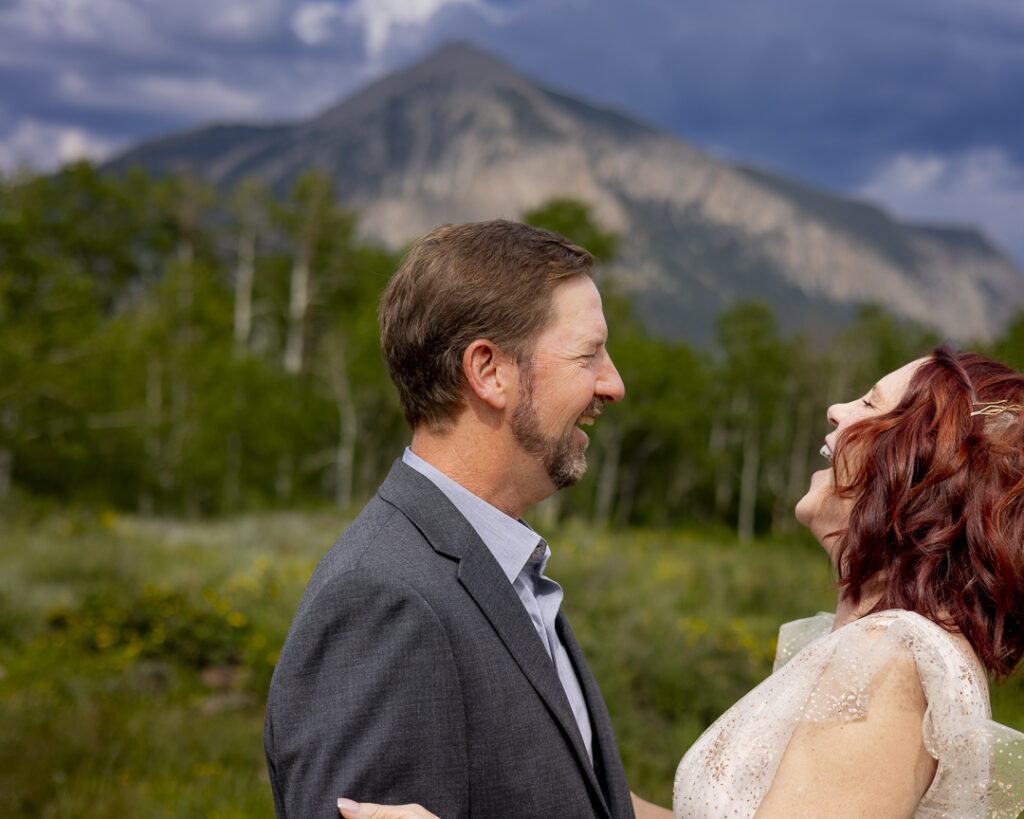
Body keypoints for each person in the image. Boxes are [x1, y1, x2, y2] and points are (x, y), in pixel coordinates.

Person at [335, 347, 1024, 819]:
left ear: (919, 463)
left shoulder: (893, 664)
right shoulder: (878, 650)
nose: (838, 410)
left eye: (871, 402)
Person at [263, 220, 639, 819]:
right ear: (489, 371)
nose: (612, 384)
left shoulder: (506, 570)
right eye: (588, 354)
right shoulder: (383, 599)